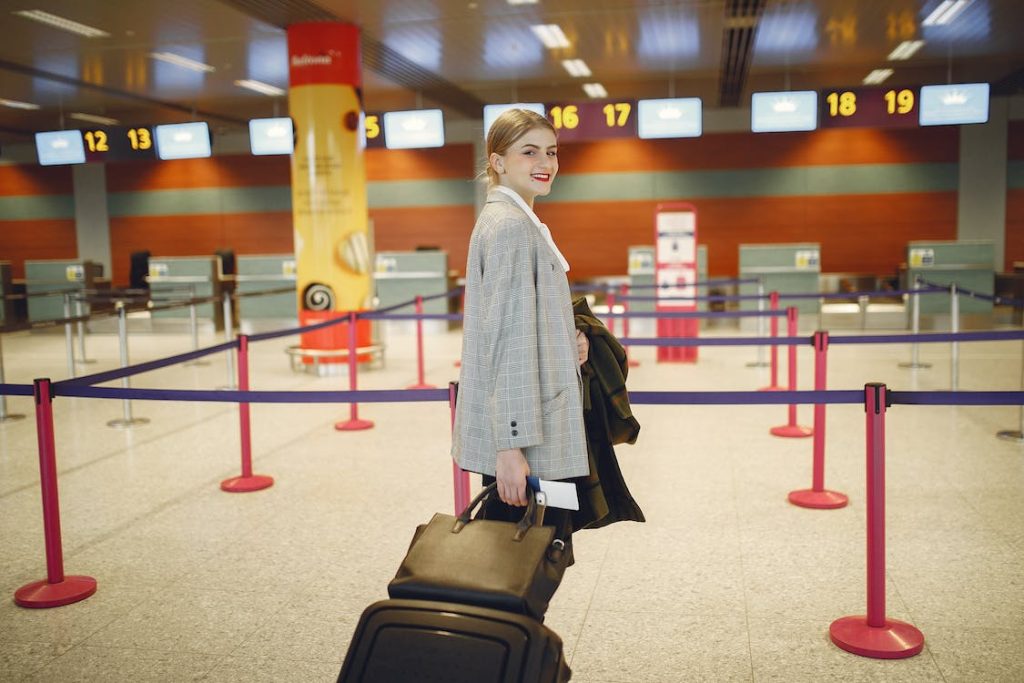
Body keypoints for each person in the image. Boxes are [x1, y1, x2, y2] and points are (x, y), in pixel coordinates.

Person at [452, 108, 591, 514]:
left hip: (532, 424)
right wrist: (510, 448)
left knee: (532, 558)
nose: (545, 164)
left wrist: (571, 336)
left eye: (551, 152)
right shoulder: (511, 227)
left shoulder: (513, 219)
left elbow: (527, 319)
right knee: (521, 562)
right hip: (527, 437)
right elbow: (507, 343)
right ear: (497, 162)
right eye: (529, 152)